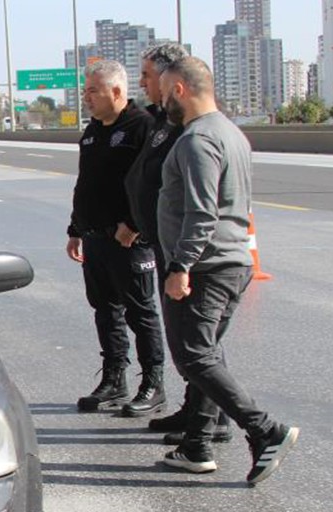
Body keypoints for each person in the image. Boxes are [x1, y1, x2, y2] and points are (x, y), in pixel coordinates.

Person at [156, 56, 299, 485]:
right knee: (208, 354)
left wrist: (181, 265)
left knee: (194, 357)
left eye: (163, 93)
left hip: (206, 267)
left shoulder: (197, 139)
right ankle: (196, 446)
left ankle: (265, 430)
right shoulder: (231, 133)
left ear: (179, 89)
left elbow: (203, 213)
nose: (161, 102)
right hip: (231, 262)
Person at [123, 44, 234, 444]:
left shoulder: (191, 130)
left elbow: (199, 203)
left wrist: (181, 263)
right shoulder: (163, 121)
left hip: (192, 253)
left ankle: (220, 422)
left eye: (148, 76)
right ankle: (197, 412)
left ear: (175, 81)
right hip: (166, 243)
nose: (143, 83)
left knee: (199, 346)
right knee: (192, 344)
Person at [64, 59, 164, 416]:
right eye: (85, 91)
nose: (86, 98)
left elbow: (153, 184)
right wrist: (75, 229)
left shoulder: (142, 127)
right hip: (95, 237)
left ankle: (153, 383)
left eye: (93, 91)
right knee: (105, 311)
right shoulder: (92, 131)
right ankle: (114, 379)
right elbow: (86, 184)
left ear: (117, 91)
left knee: (141, 313)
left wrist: (133, 224)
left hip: (129, 240)